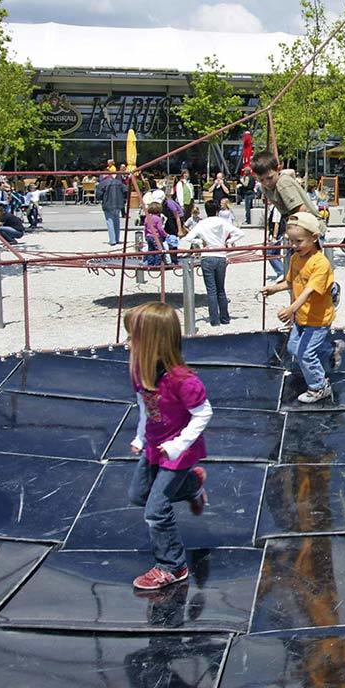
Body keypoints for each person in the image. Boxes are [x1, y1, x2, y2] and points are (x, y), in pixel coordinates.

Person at [123, 301, 212, 591]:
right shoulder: (141, 370)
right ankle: (191, 485)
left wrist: (178, 444)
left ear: (152, 342)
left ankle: (173, 565)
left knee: (155, 510)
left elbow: (203, 413)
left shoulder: (184, 381)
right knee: (138, 494)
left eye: (132, 337)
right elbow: (144, 408)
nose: (127, 343)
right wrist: (139, 436)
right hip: (154, 444)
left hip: (179, 451)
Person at [260, 211, 343, 403]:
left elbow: (309, 292)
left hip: (317, 319)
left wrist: (290, 309)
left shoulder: (320, 264)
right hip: (301, 317)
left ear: (314, 238)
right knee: (293, 348)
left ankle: (319, 387)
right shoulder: (297, 258)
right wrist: (274, 288)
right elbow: (291, 282)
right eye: (291, 241)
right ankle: (331, 351)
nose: (294, 245)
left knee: (305, 355)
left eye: (299, 241)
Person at [182, 207, 244, 327]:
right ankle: (225, 318)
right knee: (221, 289)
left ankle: (214, 320)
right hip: (221, 256)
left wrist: (201, 243)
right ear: (217, 211)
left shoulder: (202, 223)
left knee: (211, 291)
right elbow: (240, 233)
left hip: (207, 256)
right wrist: (229, 242)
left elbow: (188, 238)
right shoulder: (223, 222)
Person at [251, 154, 325, 237]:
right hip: (295, 226)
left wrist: (291, 231)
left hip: (311, 227)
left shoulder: (283, 184)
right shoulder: (264, 187)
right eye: (261, 180)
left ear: (278, 169)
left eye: (270, 178)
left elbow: (301, 210)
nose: (267, 183)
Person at [97, 174, 129, 246]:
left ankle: (112, 240)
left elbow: (99, 195)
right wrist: (123, 199)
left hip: (108, 204)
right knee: (116, 221)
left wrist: (101, 199)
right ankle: (117, 239)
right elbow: (126, 190)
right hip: (118, 204)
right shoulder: (119, 182)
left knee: (110, 222)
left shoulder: (103, 183)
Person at [144, 200, 170, 266]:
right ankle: (157, 264)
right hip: (156, 237)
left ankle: (150, 264)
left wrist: (145, 236)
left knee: (151, 251)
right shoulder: (158, 219)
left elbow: (145, 228)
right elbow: (160, 229)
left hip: (149, 236)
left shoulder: (147, 218)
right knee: (159, 250)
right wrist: (165, 234)